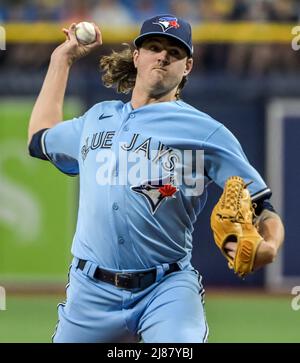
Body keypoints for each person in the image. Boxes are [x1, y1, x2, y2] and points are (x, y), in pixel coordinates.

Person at [27, 14, 284, 343]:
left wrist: (270, 246)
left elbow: (264, 207)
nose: (162, 55)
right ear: (137, 56)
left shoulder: (206, 132)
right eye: (153, 46)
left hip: (166, 289)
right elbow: (39, 139)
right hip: (89, 292)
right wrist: (61, 59)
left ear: (187, 66)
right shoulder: (96, 118)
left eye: (174, 52)